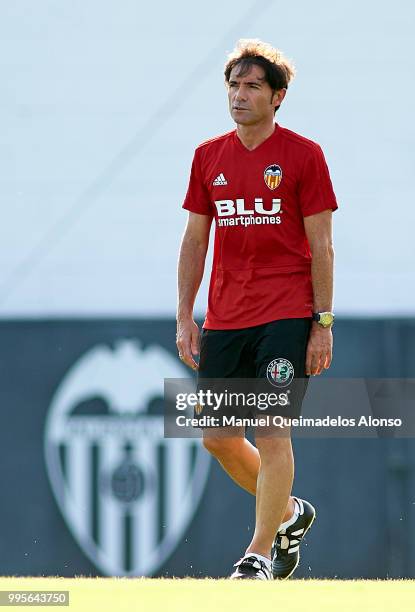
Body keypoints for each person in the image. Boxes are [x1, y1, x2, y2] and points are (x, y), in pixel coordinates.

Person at [176, 39, 337, 580]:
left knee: (271, 431)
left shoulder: (304, 155)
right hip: (224, 317)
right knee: (218, 437)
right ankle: (291, 513)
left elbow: (322, 245)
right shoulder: (207, 156)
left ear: (277, 97)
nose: (239, 96)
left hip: (287, 314)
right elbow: (196, 240)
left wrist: (322, 322)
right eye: (233, 86)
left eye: (251, 87)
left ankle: (258, 554)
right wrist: (185, 314)